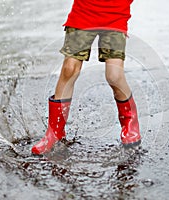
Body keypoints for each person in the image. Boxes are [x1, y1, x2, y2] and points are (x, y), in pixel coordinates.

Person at [31, 0, 141, 155]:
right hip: (84, 11)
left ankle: (130, 123)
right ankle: (55, 132)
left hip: (116, 13)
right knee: (69, 69)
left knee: (114, 76)